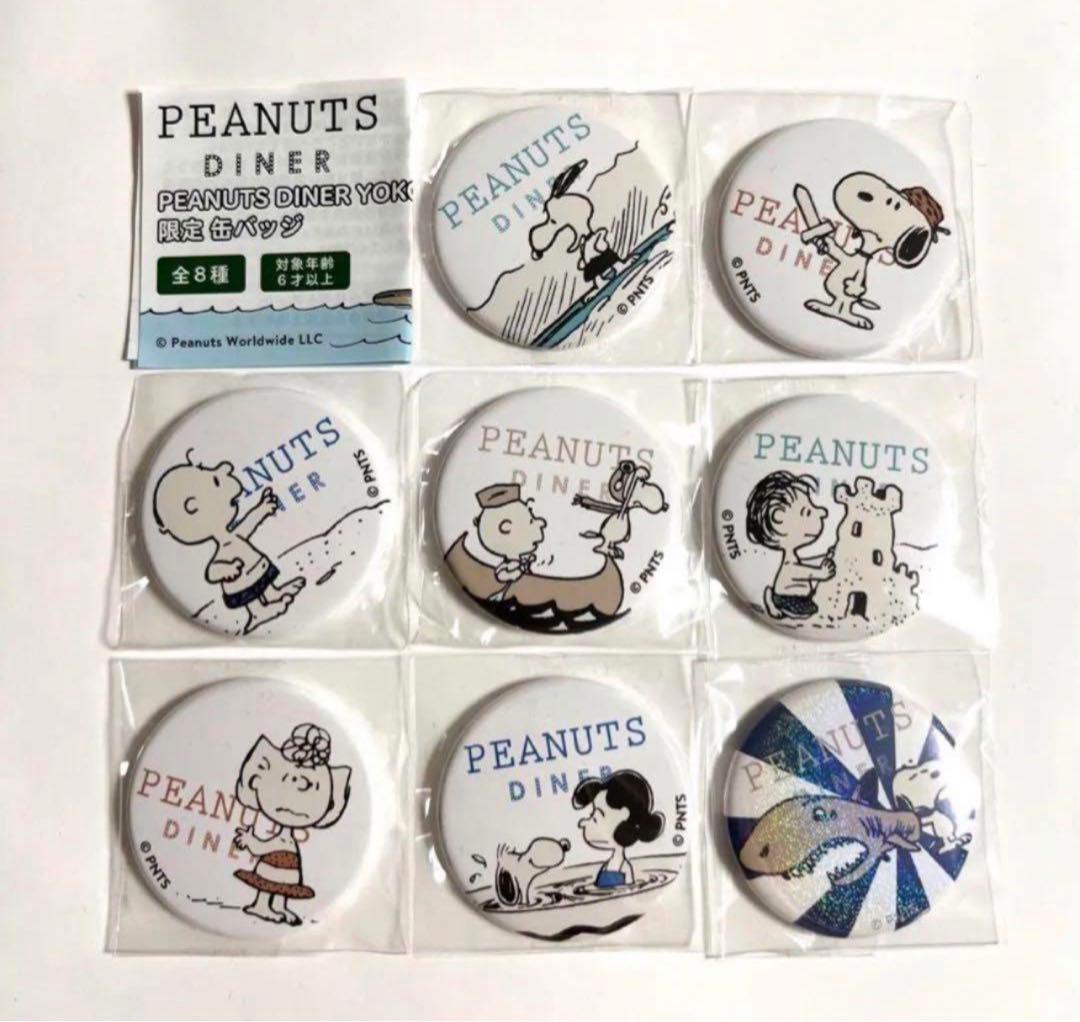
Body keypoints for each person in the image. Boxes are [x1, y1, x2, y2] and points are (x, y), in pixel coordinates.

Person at [745, 470, 835, 620]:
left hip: (802, 599)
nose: (822, 512)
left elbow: (803, 565)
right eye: (807, 512)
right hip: (788, 599)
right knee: (801, 615)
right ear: (779, 518)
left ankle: (773, 600)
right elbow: (797, 572)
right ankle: (773, 601)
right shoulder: (789, 565)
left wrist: (824, 557)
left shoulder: (793, 560)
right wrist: (821, 573)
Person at [572, 770, 664, 889]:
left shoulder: (624, 868)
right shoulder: (607, 865)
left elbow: (630, 892)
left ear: (623, 817)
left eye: (595, 818)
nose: (583, 823)